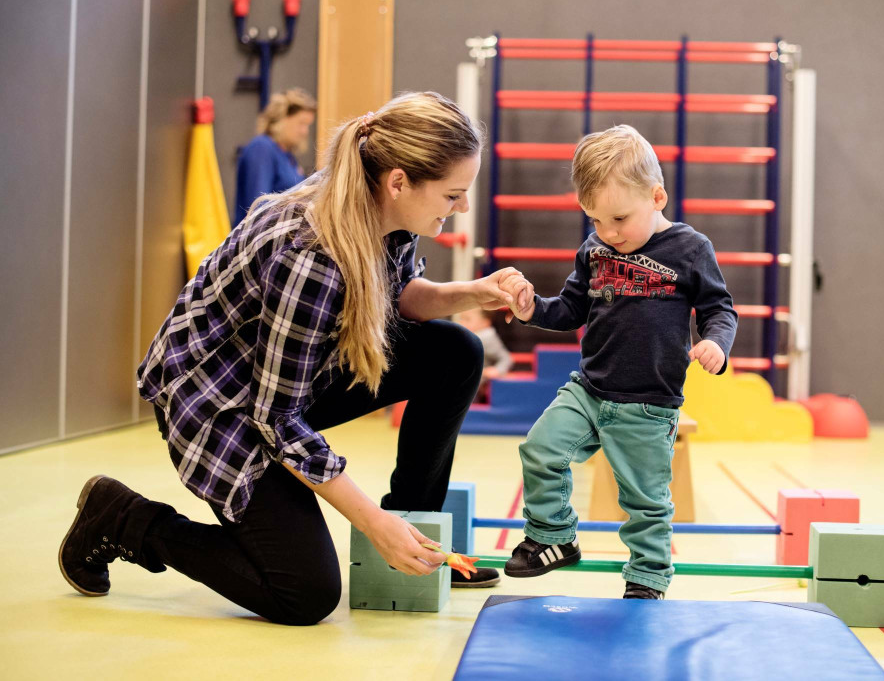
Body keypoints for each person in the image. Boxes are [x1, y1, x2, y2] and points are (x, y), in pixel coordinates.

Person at [58, 92, 532, 625]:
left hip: (291, 377)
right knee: (304, 593)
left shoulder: (381, 209)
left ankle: (412, 537)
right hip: (223, 405)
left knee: (456, 350)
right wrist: (373, 524)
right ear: (399, 182)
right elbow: (274, 418)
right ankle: (123, 518)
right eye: (453, 194)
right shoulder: (312, 255)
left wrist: (472, 293)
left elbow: (394, 295)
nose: (462, 207)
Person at [500, 125, 738, 600]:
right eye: (595, 221)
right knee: (540, 450)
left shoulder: (691, 249)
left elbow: (720, 310)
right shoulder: (595, 250)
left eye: (619, 219)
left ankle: (648, 576)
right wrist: (531, 309)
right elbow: (569, 310)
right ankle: (553, 537)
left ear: (657, 197)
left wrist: (716, 342)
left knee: (645, 501)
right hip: (588, 390)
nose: (607, 233)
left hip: (649, 404)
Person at [233, 88, 316, 226]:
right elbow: (258, 207)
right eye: (301, 123)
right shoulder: (261, 148)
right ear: (282, 119)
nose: (305, 132)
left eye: (308, 125)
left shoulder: (288, 156)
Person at [455, 308, 513, 402]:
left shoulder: (486, 337)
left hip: (472, 388)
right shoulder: (468, 335)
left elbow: (506, 358)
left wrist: (497, 370)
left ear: (485, 323)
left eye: (467, 319)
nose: (462, 323)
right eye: (461, 319)